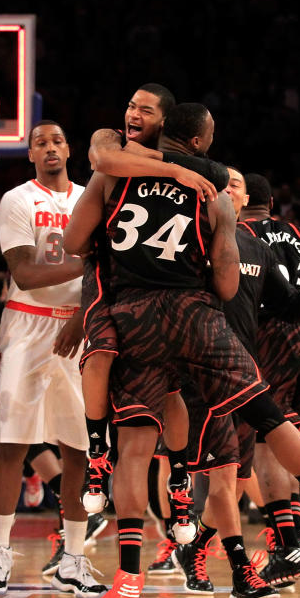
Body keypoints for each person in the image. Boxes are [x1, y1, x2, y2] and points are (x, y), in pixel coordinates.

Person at [65, 103, 300, 598]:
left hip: (131, 318)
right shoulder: (210, 191)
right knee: (265, 414)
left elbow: (74, 241)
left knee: (138, 451)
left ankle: (128, 579)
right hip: (195, 321)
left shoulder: (110, 172)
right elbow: (228, 284)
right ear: (204, 142)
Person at [176, 167, 300, 596]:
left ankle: (200, 546)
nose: (226, 189)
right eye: (220, 184)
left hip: (242, 369)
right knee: (226, 477)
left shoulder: (256, 247)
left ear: (244, 202)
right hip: (199, 370)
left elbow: (292, 306)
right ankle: (271, 550)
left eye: (234, 185)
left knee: (238, 479)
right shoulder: (192, 239)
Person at [0, 120, 106, 598]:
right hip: (27, 325)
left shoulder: (89, 200)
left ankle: (73, 558)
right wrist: (93, 263)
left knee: (79, 446)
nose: (49, 148)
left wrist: (84, 312)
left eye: (56, 141)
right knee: (12, 441)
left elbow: (105, 275)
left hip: (78, 324)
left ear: (69, 149)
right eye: (40, 143)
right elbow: (27, 274)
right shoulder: (17, 199)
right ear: (30, 154)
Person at [81, 84, 215, 548]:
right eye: (130, 105)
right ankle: (96, 450)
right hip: (110, 278)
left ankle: (179, 478)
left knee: (172, 389)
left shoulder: (194, 173)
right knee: (98, 354)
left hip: (164, 296)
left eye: (145, 110)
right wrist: (178, 170)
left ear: (166, 122)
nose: (133, 113)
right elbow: (104, 161)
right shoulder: (112, 142)